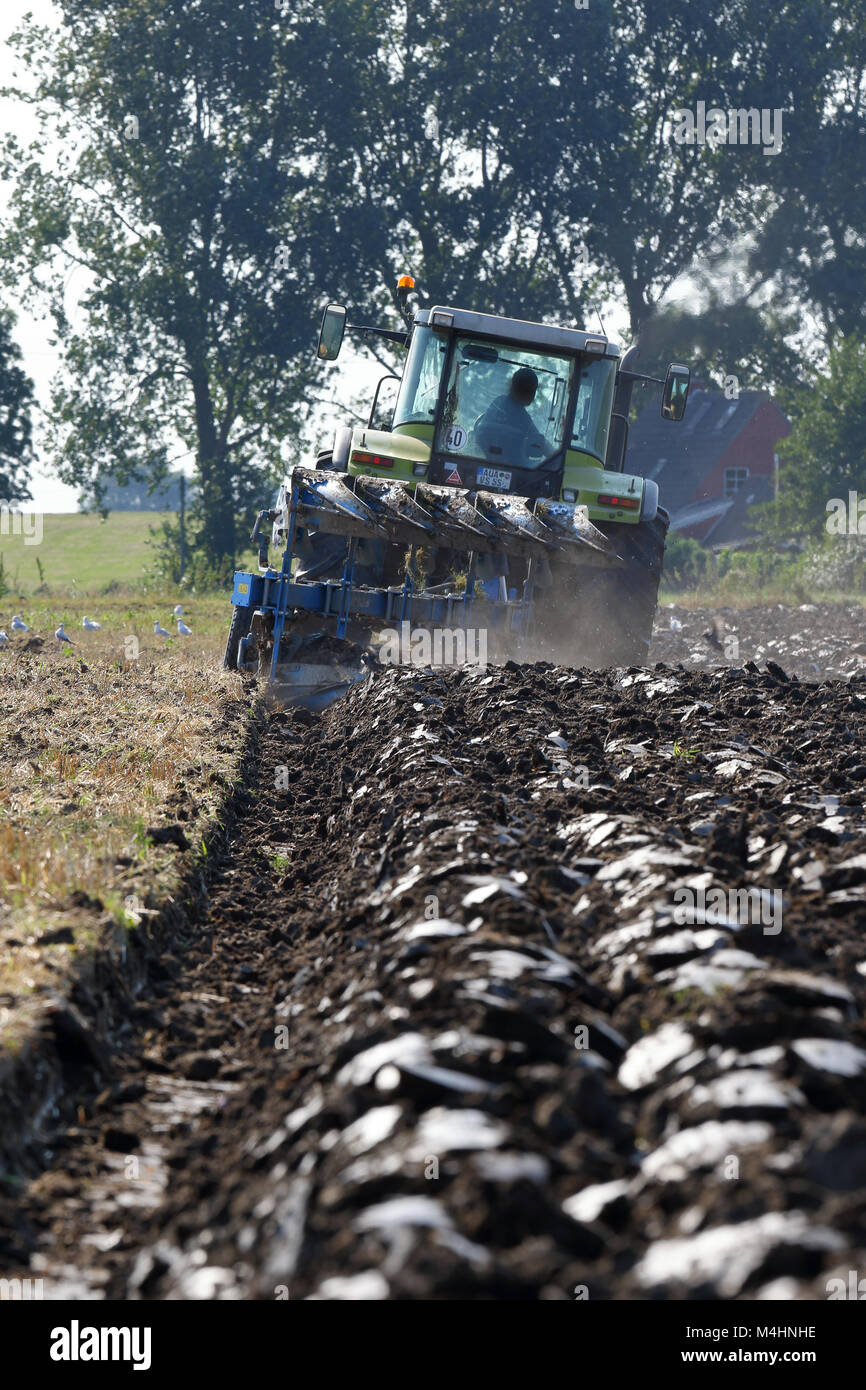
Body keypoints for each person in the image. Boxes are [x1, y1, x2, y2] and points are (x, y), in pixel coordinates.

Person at [475, 367, 550, 465]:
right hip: (513, 468)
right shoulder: (523, 417)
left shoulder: (498, 402)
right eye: (532, 391)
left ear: (511, 386)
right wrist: (557, 458)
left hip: (485, 461)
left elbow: (480, 429)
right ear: (532, 394)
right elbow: (542, 444)